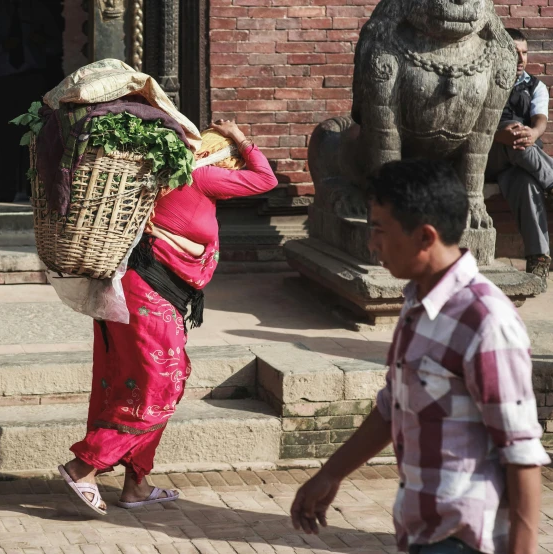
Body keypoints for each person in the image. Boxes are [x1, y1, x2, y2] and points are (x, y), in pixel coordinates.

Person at [291, 159, 549, 554]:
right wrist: (330, 474)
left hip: (464, 538)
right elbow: (393, 405)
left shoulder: (484, 320)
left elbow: (521, 452)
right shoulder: (417, 301)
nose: (371, 242)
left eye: (378, 229)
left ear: (425, 236)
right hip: (420, 529)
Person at [58, 120, 279, 514]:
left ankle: (136, 484)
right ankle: (84, 466)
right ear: (220, 158)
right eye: (232, 161)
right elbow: (265, 179)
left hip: (145, 289)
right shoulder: (202, 175)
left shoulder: (170, 173)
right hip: (147, 289)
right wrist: (243, 139)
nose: (233, 173)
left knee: (136, 379)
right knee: (161, 382)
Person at [0, 0, 63, 203]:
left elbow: (56, 44)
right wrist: (3, 45)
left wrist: (39, 41)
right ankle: (5, 190)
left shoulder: (38, 9)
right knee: (4, 138)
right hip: (3, 82)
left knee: (34, 136)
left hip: (32, 79)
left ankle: (33, 189)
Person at [486, 28, 552, 290]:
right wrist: (496, 134)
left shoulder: (536, 86)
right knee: (515, 136)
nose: (520, 59)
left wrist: (533, 133)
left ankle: (537, 260)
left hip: (521, 162)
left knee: (526, 184)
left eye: (524, 53)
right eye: (514, 52)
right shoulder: (483, 81)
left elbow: (540, 119)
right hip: (487, 157)